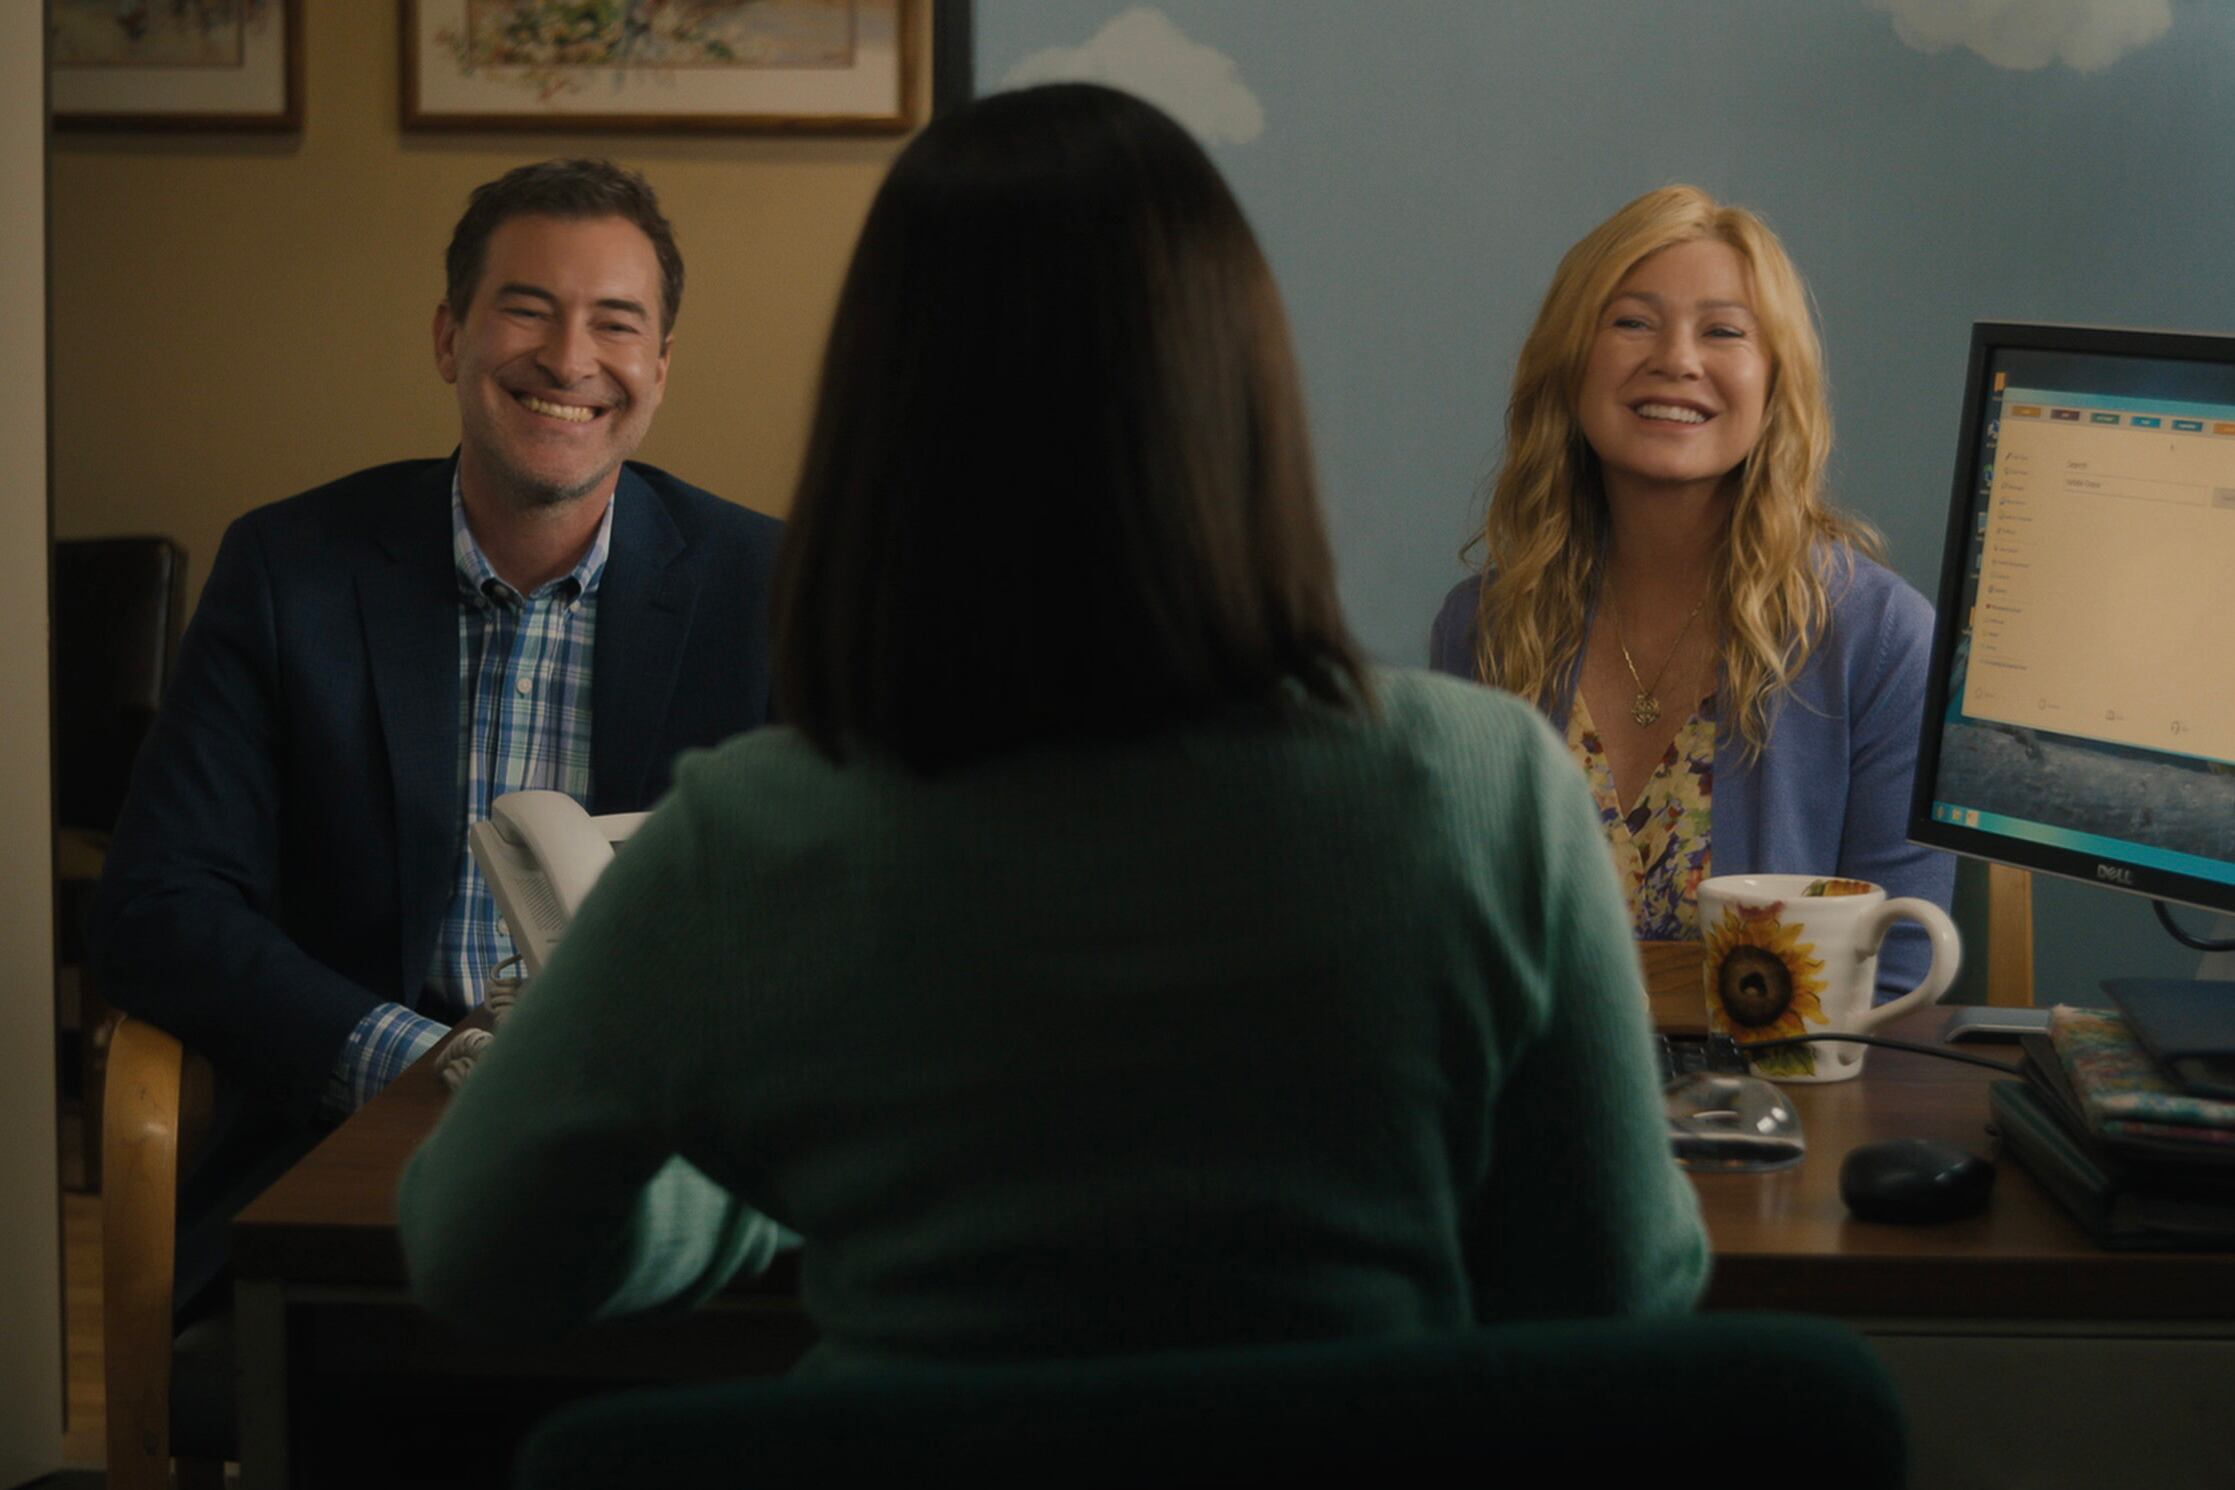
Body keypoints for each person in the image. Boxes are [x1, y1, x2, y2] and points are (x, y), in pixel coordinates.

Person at [399, 85, 1706, 1367]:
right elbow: (1614, 1283)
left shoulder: (747, 837)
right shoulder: (1487, 791)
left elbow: (478, 1248)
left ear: (880, 415)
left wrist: (771, 1183)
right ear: (1246, 399)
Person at [93, 158, 783, 1316]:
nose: (569, 358)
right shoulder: (290, 570)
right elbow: (155, 906)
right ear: (448, 336)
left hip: (659, 1156)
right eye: (527, 308)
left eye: (616, 324)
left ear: (660, 367)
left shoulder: (767, 585)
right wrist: (418, 1062)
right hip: (343, 1138)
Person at [1430, 185, 1952, 995]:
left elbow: (1899, 973)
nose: (1676, 359)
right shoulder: (1484, 626)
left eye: (1723, 331)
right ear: (1569, 364)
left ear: (1775, 382)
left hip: (1793, 1076)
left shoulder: (1881, 640)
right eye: (1631, 322)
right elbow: (1451, 950)